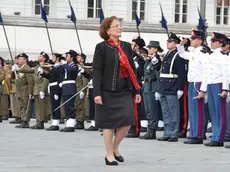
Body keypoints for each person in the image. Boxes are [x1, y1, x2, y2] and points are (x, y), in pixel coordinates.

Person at [93, 16, 141, 166]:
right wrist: (97, 93)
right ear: (108, 30)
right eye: (116, 26)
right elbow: (97, 71)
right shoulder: (101, 47)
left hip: (124, 90)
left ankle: (115, 147)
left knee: (128, 119)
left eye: (120, 26)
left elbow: (132, 70)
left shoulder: (126, 46)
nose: (120, 28)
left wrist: (137, 91)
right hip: (107, 91)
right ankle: (109, 155)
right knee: (108, 124)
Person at [177, 30, 207, 144]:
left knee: (198, 110)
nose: (192, 40)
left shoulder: (203, 53)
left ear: (200, 40)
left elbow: (206, 72)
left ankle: (198, 135)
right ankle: (193, 133)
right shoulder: (194, 51)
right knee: (192, 110)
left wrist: (203, 89)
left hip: (198, 83)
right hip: (192, 82)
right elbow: (183, 55)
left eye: (194, 39)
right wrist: (181, 44)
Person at [199, 32, 228, 147]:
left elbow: (226, 74)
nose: (211, 43)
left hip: (219, 85)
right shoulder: (210, 56)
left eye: (214, 41)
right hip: (210, 85)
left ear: (220, 43)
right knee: (213, 113)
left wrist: (225, 89)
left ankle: (219, 138)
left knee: (220, 112)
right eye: (211, 41)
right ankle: (215, 136)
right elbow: (206, 74)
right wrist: (203, 89)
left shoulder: (222, 57)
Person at [155, 32, 186, 142]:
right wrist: (159, 89)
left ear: (176, 43)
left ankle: (174, 133)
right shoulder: (167, 54)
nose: (167, 43)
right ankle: (167, 132)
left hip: (172, 85)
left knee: (173, 111)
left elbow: (182, 73)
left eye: (170, 42)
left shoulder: (179, 55)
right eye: (167, 41)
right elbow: (161, 73)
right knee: (165, 111)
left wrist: (180, 88)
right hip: (164, 85)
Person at [17, 52, 49, 129]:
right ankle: (38, 121)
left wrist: (43, 89)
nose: (38, 57)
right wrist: (19, 69)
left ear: (44, 58)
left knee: (41, 107)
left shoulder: (46, 66)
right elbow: (30, 71)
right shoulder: (37, 66)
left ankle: (41, 122)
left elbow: (46, 78)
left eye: (40, 56)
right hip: (36, 89)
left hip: (41, 89)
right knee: (38, 107)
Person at [139, 41, 162, 140]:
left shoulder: (156, 59)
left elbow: (157, 74)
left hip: (153, 86)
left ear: (156, 49)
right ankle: (149, 130)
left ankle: (152, 131)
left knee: (152, 110)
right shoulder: (150, 60)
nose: (148, 49)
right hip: (147, 86)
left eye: (150, 48)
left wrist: (158, 89)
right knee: (148, 109)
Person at [40, 53, 65, 131]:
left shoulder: (60, 67)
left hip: (56, 88)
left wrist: (57, 91)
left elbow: (59, 79)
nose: (52, 58)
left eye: (53, 57)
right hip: (52, 87)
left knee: (56, 105)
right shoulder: (54, 67)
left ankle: (56, 123)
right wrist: (42, 73)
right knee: (53, 105)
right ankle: (54, 121)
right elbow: (50, 77)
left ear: (57, 58)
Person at [12, 53, 34, 128]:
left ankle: (26, 121)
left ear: (25, 60)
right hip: (19, 90)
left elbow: (30, 81)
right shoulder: (19, 68)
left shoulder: (27, 68)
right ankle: (22, 119)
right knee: (21, 106)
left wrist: (30, 92)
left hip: (25, 90)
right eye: (19, 59)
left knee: (25, 106)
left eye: (21, 59)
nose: (19, 60)